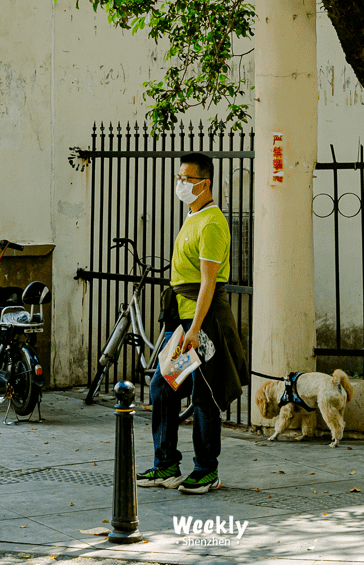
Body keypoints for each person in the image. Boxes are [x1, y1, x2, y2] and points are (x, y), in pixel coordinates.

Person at [136, 150, 248, 495]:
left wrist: (196, 329)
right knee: (162, 386)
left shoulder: (213, 223)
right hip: (181, 320)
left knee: (204, 392)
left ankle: (206, 469)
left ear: (205, 183)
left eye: (187, 179)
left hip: (202, 322)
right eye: (178, 178)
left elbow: (208, 282)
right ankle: (166, 464)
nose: (180, 184)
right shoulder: (193, 216)